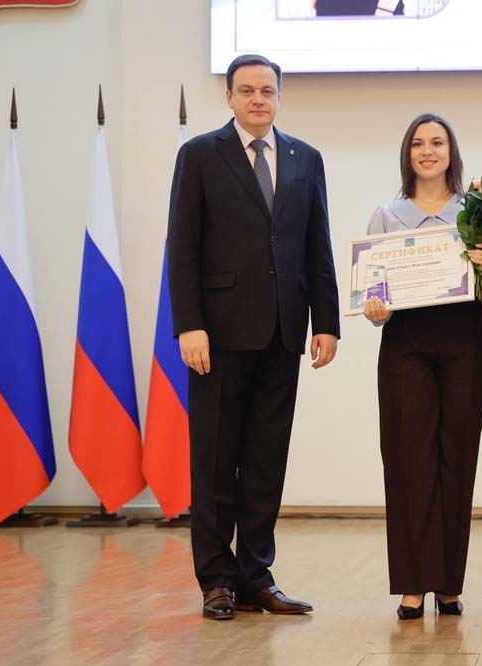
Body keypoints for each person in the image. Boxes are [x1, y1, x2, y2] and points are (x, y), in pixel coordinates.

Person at [167, 54, 340, 620]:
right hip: (216, 336)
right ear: (229, 98)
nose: (258, 99)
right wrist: (189, 324)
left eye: (267, 90)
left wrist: (327, 321)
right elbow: (182, 246)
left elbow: (317, 245)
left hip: (284, 332)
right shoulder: (199, 155)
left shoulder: (305, 158)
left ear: (280, 95)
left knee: (266, 463)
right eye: (247, 90)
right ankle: (216, 579)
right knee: (216, 462)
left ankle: (255, 576)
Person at [363, 113, 482, 619]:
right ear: (408, 154)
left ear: (450, 152)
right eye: (418, 143)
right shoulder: (386, 215)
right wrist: (373, 307)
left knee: (457, 457)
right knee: (408, 461)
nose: (428, 151)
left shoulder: (478, 214)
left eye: (437, 142)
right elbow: (372, 295)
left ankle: (447, 584)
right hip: (405, 345)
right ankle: (412, 584)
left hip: (465, 341)